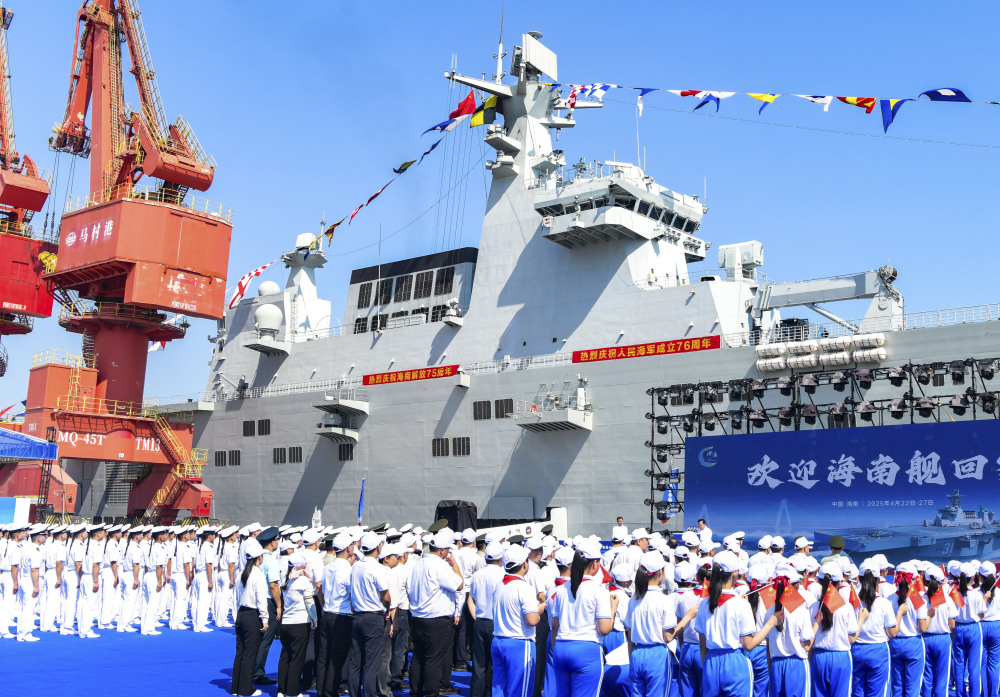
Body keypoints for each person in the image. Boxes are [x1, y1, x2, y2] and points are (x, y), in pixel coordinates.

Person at [695, 551, 779, 697]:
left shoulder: (704, 604)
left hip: (711, 661)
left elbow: (703, 645)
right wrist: (771, 623)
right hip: (735, 662)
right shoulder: (741, 604)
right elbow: (749, 644)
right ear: (735, 574)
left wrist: (708, 666)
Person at [550, 539, 617, 697]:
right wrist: (613, 609)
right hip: (587, 649)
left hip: (561, 648)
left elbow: (555, 625)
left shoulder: (561, 589)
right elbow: (604, 628)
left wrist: (556, 648)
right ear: (595, 564)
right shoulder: (598, 590)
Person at [624, 551, 694, 697]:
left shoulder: (634, 599)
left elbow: (630, 636)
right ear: (660, 572)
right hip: (656, 655)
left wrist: (631, 662)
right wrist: (687, 618)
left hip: (637, 653)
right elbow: (668, 637)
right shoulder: (663, 600)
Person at [408, 529, 464, 697]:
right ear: (442, 550)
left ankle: (415, 692)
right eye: (447, 550)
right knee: (433, 660)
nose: (448, 554)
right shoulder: (439, 565)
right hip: (436, 620)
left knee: (418, 657)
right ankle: (431, 693)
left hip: (418, 617)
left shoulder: (418, 564)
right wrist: (454, 565)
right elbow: (459, 584)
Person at [491, 544, 544, 697]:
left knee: (499, 688)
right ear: (524, 564)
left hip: (499, 640)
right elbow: (532, 620)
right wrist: (539, 610)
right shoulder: (524, 587)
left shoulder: (500, 586)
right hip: (519, 642)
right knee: (520, 690)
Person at [810, 563, 861, 697]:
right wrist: (861, 619)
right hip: (840, 657)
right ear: (839, 582)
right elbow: (852, 638)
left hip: (819, 657)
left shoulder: (813, 607)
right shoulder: (846, 607)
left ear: (819, 581)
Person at [349, 532, 391, 697]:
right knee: (372, 663)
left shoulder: (355, 566)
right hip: (373, 618)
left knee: (355, 662)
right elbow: (385, 596)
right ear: (378, 547)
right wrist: (387, 609)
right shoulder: (377, 568)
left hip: (357, 616)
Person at [851, 561, 901, 697]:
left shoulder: (853, 602)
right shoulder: (884, 603)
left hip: (856, 649)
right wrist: (900, 614)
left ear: (859, 579)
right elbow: (892, 633)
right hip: (878, 650)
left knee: (857, 692)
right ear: (878, 580)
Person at [765, 564, 814, 697]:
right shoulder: (801, 612)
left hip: (776, 665)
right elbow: (806, 646)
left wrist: (771, 669)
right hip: (796, 665)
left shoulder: (770, 612)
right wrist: (816, 627)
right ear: (795, 586)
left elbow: (768, 647)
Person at [318, 532, 354, 697]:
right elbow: (352, 594)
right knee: (337, 658)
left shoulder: (328, 567)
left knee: (323, 657)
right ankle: (330, 692)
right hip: (342, 616)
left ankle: (321, 691)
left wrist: (323, 606)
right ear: (348, 548)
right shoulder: (347, 569)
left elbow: (321, 590)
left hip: (327, 613)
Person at [279, 551, 318, 697]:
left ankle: (281, 690)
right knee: (297, 658)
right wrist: (315, 618)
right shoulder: (303, 581)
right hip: (300, 623)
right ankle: (293, 692)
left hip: (286, 622)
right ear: (300, 566)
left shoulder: (285, 579)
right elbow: (309, 602)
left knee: (285, 657)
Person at [468, 542, 504, 697]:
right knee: (496, 665)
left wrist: (476, 617)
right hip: (496, 623)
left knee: (479, 664)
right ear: (501, 559)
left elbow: (472, 599)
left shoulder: (477, 575)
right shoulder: (503, 575)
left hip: (480, 621)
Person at [887, 562, 928, 697]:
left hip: (895, 643)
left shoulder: (890, 599)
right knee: (912, 688)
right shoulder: (918, 599)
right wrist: (930, 615)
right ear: (914, 579)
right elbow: (922, 628)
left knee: (897, 687)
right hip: (913, 643)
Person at [233, 538, 268, 697]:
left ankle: (236, 688)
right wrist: (265, 619)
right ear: (259, 557)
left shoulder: (240, 573)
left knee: (240, 652)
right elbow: (261, 599)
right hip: (252, 616)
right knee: (250, 654)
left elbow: (235, 597)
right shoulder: (258, 575)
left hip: (241, 614)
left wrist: (236, 616)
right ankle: (245, 689)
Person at [920, 566, 956, 697]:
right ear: (941, 582)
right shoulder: (947, 599)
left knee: (926, 677)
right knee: (942, 677)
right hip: (943, 639)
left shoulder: (920, 598)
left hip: (924, 639)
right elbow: (952, 624)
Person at [254, 527, 283, 686]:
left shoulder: (258, 558)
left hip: (256, 601)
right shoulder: (271, 560)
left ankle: (253, 669)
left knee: (258, 638)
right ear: (272, 543)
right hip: (268, 601)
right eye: (276, 540)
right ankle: (257, 673)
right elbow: (273, 585)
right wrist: (279, 605)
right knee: (266, 639)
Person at [952, 562, 986, 697]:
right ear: (972, 578)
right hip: (973, 627)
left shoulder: (954, 593)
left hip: (959, 628)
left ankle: (960, 694)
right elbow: (982, 615)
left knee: (959, 666)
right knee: (974, 666)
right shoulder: (977, 594)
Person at [674, 562, 707, 697]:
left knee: (686, 692)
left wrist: (683, 646)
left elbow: (680, 626)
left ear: (696, 577)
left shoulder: (684, 597)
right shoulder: (713, 598)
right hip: (705, 649)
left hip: (687, 647)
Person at [15, 526, 44, 642]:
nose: (46, 537)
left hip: (24, 579)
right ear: (38, 538)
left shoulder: (26, 548)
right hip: (31, 581)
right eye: (44, 536)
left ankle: (21, 633)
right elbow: (34, 570)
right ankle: (26, 633)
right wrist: (36, 586)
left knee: (23, 608)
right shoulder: (36, 550)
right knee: (29, 608)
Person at [141, 527, 168, 636]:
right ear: (160, 537)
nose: (166, 536)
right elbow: (159, 567)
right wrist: (159, 581)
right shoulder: (160, 548)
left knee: (146, 603)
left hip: (148, 574)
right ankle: (149, 628)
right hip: (154, 576)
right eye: (165, 535)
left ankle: (144, 627)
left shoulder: (150, 546)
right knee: (154, 603)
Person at [118, 528, 144, 633]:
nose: (142, 536)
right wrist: (136, 579)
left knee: (125, 601)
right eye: (141, 534)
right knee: (130, 602)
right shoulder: (135, 547)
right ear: (136, 536)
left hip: (126, 573)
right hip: (131, 575)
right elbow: (135, 564)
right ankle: (125, 624)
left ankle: (121, 625)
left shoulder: (129, 545)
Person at [41, 526, 66, 632]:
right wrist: (59, 578)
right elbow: (59, 563)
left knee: (46, 600)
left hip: (49, 572)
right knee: (53, 600)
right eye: (65, 533)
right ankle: (48, 625)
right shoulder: (61, 547)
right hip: (55, 573)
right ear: (61, 535)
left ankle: (44, 624)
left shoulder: (50, 545)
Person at [980, 562, 1000, 697]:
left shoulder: (976, 593)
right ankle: (993, 694)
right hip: (996, 626)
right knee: (994, 664)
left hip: (981, 626)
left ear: (980, 577)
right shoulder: (999, 592)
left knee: (981, 663)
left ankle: (984, 693)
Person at [193, 527, 218, 632]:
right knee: (204, 601)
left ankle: (196, 624)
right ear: (210, 536)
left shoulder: (200, 545)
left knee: (196, 601)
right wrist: (210, 581)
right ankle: (201, 625)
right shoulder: (209, 547)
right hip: (204, 575)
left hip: (198, 574)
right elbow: (209, 564)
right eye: (213, 535)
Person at [169, 527, 194, 630]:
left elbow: (169, 561)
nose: (189, 535)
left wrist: (169, 574)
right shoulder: (185, 547)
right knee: (180, 599)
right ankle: (177, 622)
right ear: (184, 536)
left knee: (174, 599)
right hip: (181, 575)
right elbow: (186, 564)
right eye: (187, 534)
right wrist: (188, 578)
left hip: (174, 574)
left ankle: (172, 621)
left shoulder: (174, 545)